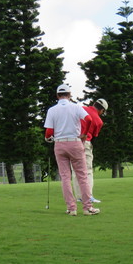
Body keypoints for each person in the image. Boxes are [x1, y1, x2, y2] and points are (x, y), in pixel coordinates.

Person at [44, 84, 100, 216]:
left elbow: (49, 132)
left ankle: (71, 208)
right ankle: (87, 208)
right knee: (82, 176)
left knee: (65, 177)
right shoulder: (76, 107)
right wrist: (84, 134)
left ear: (57, 95)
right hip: (75, 142)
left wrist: (48, 138)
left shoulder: (52, 110)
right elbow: (89, 119)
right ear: (69, 95)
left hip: (59, 144)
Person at [72, 98, 108, 204]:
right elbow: (94, 137)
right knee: (87, 170)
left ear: (94, 104)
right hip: (85, 143)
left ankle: (79, 196)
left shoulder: (81, 109)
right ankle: (88, 196)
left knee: (75, 170)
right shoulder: (99, 121)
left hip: (72, 141)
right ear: (102, 110)